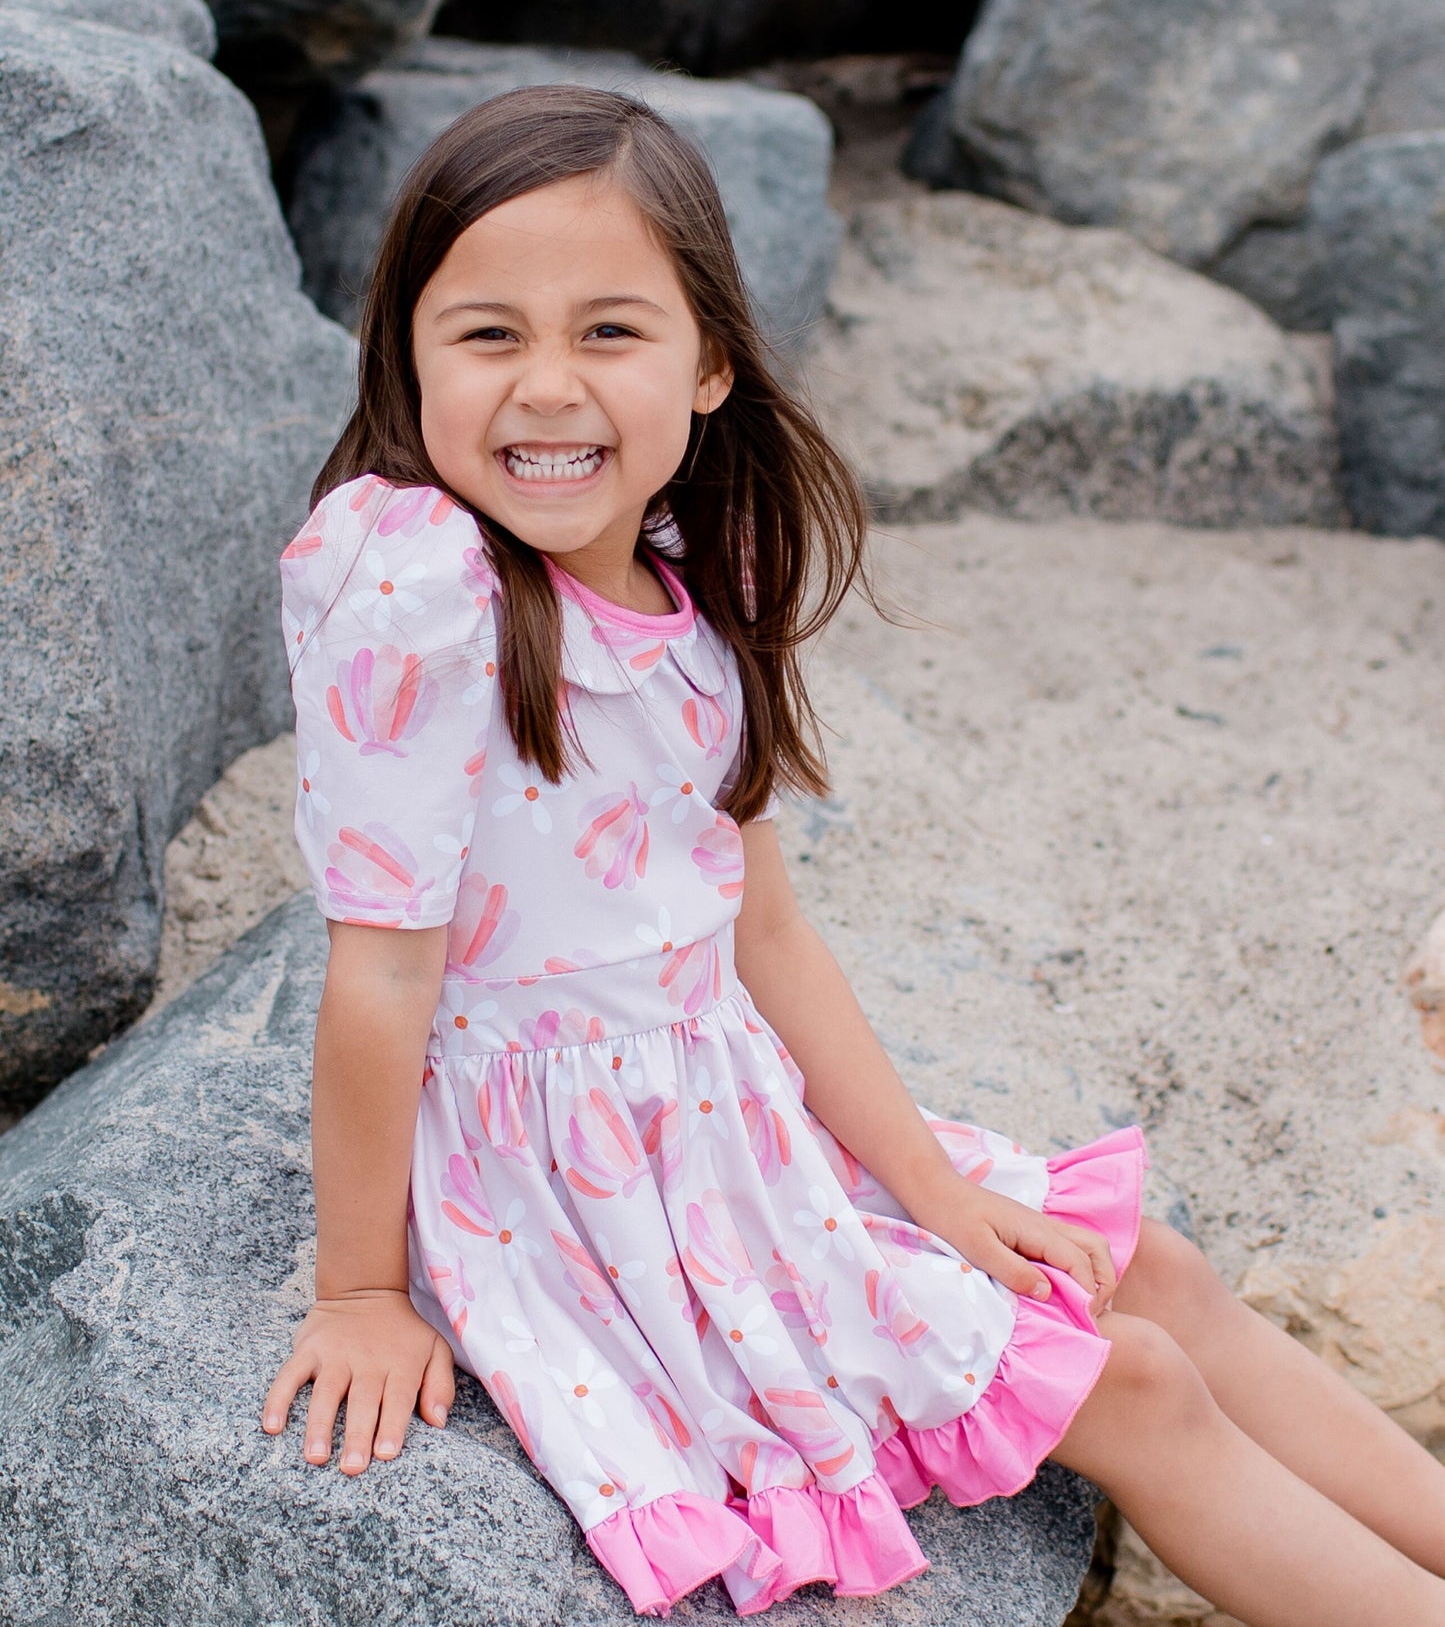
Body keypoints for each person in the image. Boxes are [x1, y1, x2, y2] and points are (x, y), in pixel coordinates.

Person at [260, 85, 1445, 1624]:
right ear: (408, 359)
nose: (545, 389)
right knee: (1132, 1382)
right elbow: (382, 967)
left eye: (607, 333)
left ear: (708, 365)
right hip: (568, 1183)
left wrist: (938, 1197)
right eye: (488, 335)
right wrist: (362, 1287)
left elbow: (770, 941)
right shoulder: (422, 597)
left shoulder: (699, 578)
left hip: (728, 1116)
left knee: (1134, 1268)